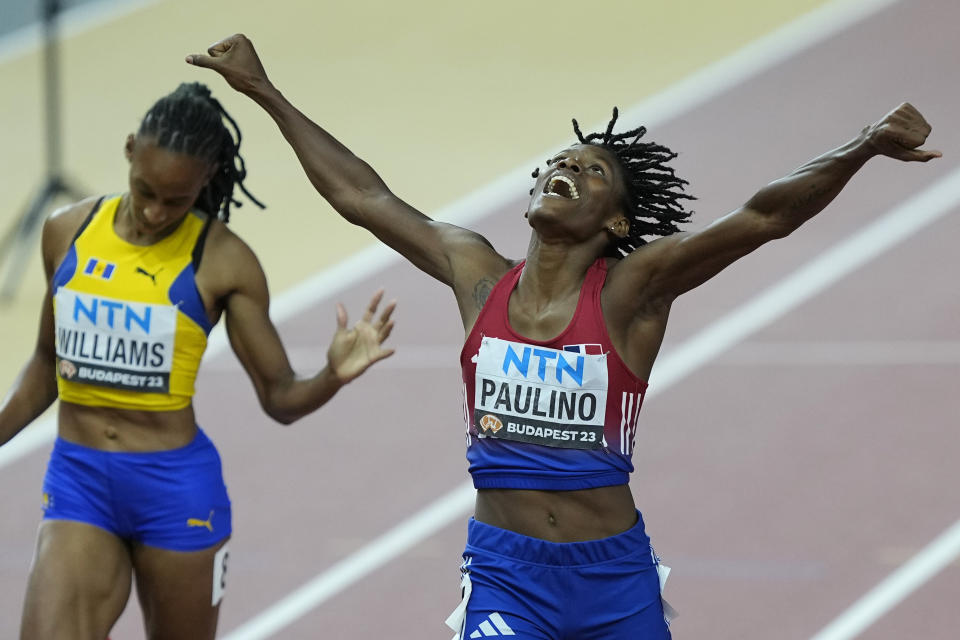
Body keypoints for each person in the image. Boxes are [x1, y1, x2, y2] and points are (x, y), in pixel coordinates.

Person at [187, 34, 940, 639]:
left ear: (616, 221)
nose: (567, 169)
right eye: (558, 162)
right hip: (506, 573)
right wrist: (263, 92)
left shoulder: (631, 293)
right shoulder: (475, 274)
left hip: (613, 581)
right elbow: (362, 195)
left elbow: (762, 219)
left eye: (592, 171)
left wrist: (864, 144)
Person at [0, 81, 397, 640]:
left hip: (174, 494)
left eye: (177, 199)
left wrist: (331, 376)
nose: (156, 211)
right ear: (131, 148)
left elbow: (280, 397)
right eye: (146, 190)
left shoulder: (224, 261)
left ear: (206, 181)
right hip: (79, 479)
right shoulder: (67, 232)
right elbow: (46, 365)